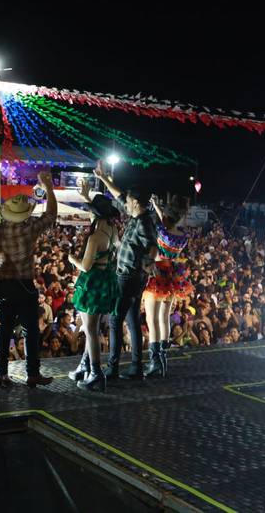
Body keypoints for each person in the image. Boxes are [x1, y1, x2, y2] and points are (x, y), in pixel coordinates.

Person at [0, 171, 56, 389]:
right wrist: (48, 187)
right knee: (30, 330)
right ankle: (32, 374)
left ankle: (2, 374)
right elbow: (51, 215)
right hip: (24, 284)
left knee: (4, 329)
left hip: (3, 285)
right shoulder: (28, 229)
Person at [94, 163, 158, 380]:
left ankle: (112, 368)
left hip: (129, 277)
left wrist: (148, 262)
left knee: (115, 320)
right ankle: (135, 367)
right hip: (132, 276)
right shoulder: (137, 217)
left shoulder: (144, 222)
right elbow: (120, 196)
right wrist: (103, 178)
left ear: (136, 202)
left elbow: (152, 245)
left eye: (129, 201)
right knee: (132, 321)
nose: (126, 204)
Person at [67, 182, 120, 391]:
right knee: (93, 328)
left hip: (92, 282)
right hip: (106, 280)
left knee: (90, 330)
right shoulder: (112, 229)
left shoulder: (95, 237)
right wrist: (86, 197)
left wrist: (72, 259)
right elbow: (97, 214)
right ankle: (84, 367)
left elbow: (86, 266)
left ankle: (96, 374)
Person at [142, 194, 191, 378]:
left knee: (152, 319)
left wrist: (155, 206)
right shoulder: (182, 236)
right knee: (164, 318)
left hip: (157, 274)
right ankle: (162, 359)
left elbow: (162, 222)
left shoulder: (161, 231)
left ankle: (154, 361)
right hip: (172, 275)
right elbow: (166, 219)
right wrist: (157, 206)